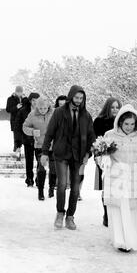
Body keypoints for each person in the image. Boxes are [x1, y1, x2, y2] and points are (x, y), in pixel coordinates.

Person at [40, 85, 95, 230]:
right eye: (76, 97)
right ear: (71, 97)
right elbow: (50, 133)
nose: (78, 100)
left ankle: (70, 216)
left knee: (76, 188)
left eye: (81, 98)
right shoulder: (59, 112)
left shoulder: (86, 115)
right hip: (61, 153)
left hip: (78, 155)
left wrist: (88, 153)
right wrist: (45, 152)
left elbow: (91, 137)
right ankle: (60, 213)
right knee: (63, 184)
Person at [100, 104, 137, 253]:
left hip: (132, 176)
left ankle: (132, 239)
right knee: (117, 208)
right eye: (126, 124)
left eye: (132, 124)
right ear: (120, 122)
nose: (129, 127)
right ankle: (119, 240)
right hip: (116, 176)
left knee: (131, 208)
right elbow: (101, 155)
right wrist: (105, 161)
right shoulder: (110, 135)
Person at [93, 97, 122, 226]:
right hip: (104, 157)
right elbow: (95, 140)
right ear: (107, 108)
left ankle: (116, 213)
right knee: (106, 186)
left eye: (117, 107)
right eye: (112, 107)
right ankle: (107, 214)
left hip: (120, 159)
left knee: (118, 187)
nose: (115, 110)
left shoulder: (122, 122)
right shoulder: (99, 121)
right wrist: (99, 154)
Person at [23, 96, 56, 200]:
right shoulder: (32, 114)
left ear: (48, 106)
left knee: (53, 168)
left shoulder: (55, 113)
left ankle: (51, 188)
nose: (43, 110)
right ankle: (40, 192)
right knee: (41, 168)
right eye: (40, 108)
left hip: (53, 145)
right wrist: (32, 132)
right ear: (37, 107)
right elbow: (24, 127)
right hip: (40, 146)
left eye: (45, 108)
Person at [15, 92, 40, 187]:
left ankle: (39, 179)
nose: (35, 103)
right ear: (30, 101)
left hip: (39, 141)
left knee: (40, 161)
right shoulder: (23, 111)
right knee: (29, 161)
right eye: (33, 101)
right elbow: (18, 126)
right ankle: (29, 179)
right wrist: (18, 142)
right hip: (27, 139)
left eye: (37, 101)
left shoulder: (42, 110)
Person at [6, 86, 26, 156]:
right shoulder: (10, 99)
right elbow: (8, 110)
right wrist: (16, 107)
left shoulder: (24, 98)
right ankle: (17, 150)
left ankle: (21, 148)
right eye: (18, 92)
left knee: (24, 135)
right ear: (15, 91)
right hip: (15, 120)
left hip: (24, 120)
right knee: (17, 135)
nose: (19, 93)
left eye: (21, 92)